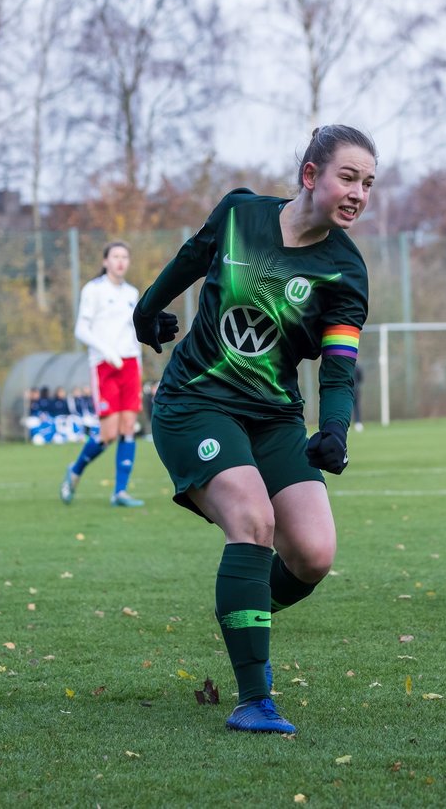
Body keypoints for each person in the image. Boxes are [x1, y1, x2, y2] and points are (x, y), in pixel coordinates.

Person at [131, 125, 375, 734]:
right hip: (195, 401)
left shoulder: (346, 269)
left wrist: (336, 430)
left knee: (314, 554)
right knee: (253, 521)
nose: (358, 194)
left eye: (369, 184)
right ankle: (253, 700)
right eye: (348, 177)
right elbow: (191, 259)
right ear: (311, 175)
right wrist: (146, 309)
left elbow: (341, 369)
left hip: (274, 415)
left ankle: (242, 612)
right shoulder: (240, 214)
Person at [60, 242, 147, 508]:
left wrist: (138, 360)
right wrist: (107, 352)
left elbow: (134, 332)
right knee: (108, 433)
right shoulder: (93, 290)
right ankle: (74, 470)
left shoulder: (132, 293)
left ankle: (119, 492)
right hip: (104, 365)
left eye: (125, 257)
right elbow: (81, 330)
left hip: (130, 364)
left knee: (128, 428)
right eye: (115, 256)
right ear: (106, 261)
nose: (120, 261)